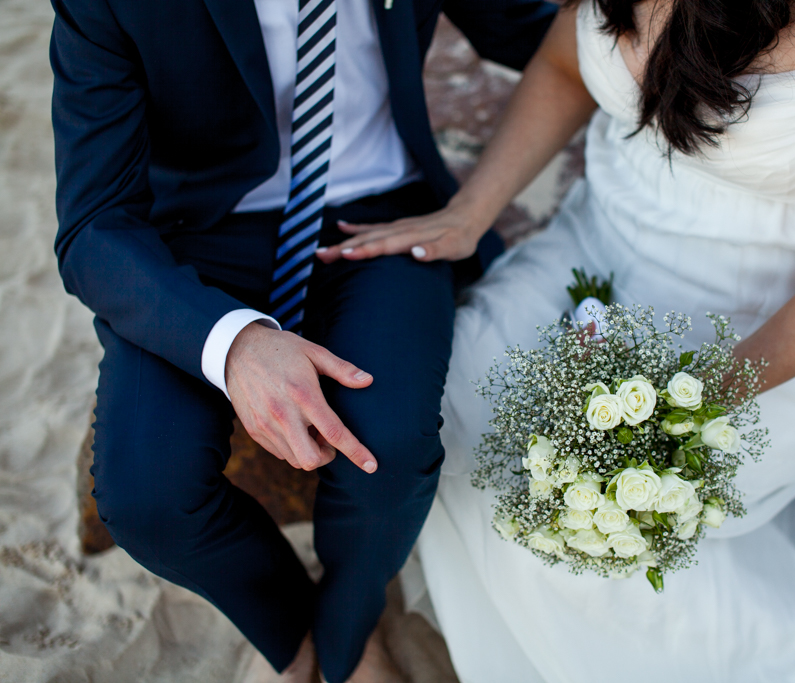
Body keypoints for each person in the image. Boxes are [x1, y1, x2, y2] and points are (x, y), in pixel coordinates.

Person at [319, 0, 795, 679]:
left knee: (606, 525)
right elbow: (564, 67)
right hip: (602, 245)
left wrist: (690, 403)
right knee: (464, 419)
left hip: (779, 324)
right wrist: (470, 211)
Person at [48, 0, 554, 680]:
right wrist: (235, 344)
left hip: (382, 215)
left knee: (389, 452)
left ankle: (349, 638)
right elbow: (93, 226)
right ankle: (295, 639)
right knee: (147, 497)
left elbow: (533, 32)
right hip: (196, 233)